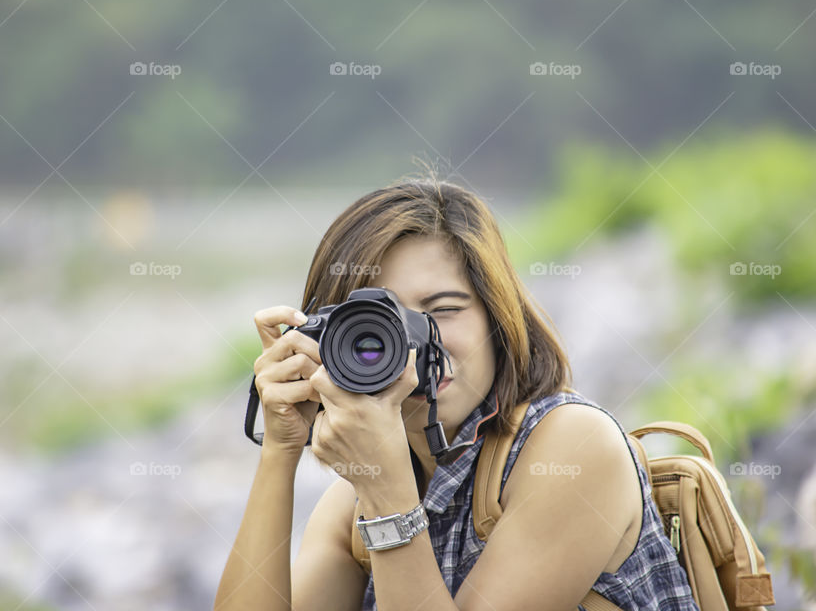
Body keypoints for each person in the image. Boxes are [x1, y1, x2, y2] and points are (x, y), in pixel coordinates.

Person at [214, 175, 698, 611]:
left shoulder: (573, 446)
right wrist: (281, 449)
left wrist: (387, 491)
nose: (417, 343)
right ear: (327, 343)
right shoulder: (353, 505)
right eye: (377, 328)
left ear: (498, 317)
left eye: (442, 310)